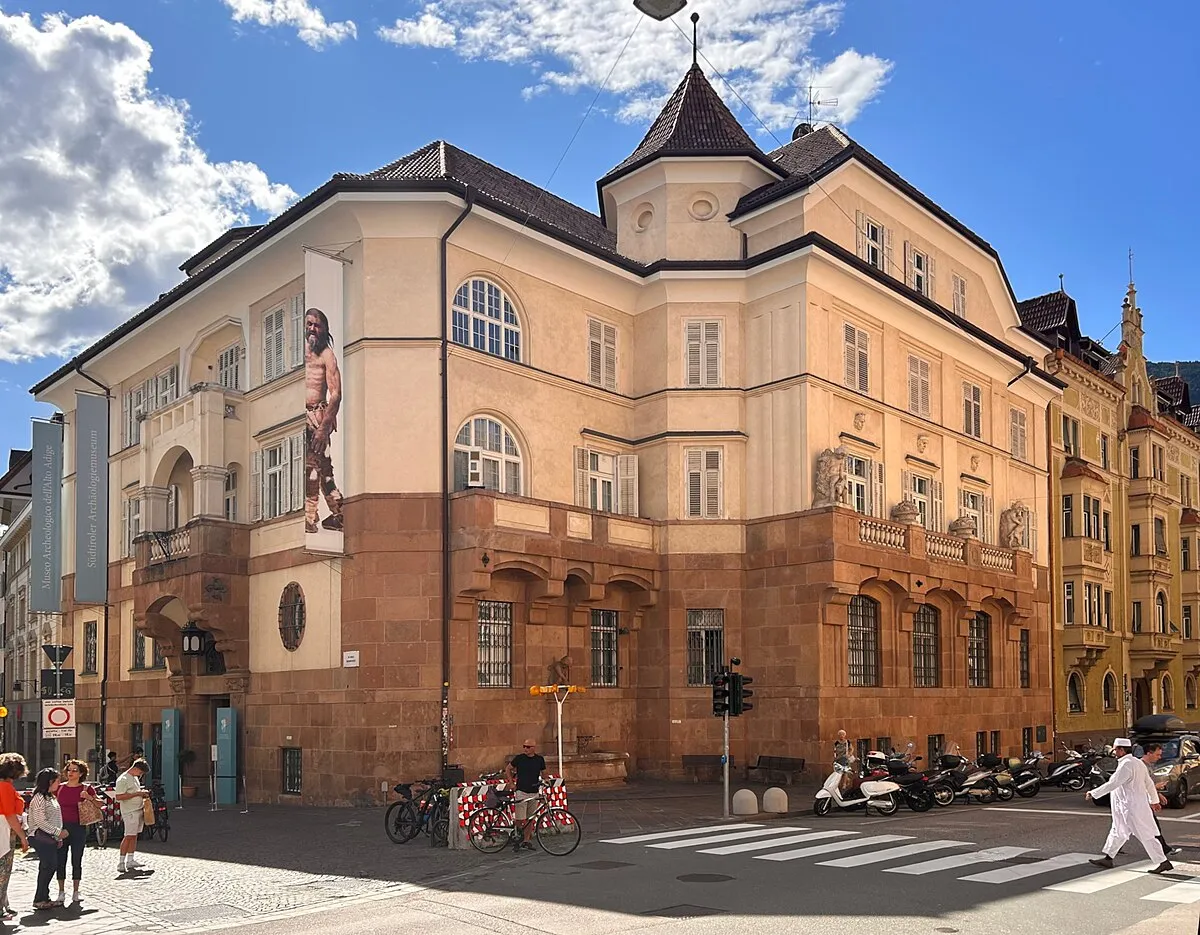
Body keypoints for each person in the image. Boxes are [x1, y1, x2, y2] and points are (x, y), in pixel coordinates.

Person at [1085, 737, 1170, 873]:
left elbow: (1114, 783)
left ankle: (1163, 861)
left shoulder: (1127, 764)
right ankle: (1108, 858)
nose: (1114, 752)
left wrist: (1093, 793)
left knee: (1145, 834)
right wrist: (1154, 801)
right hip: (1127, 806)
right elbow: (1148, 783)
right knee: (1118, 831)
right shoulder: (1137, 763)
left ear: (1121, 750)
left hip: (1130, 807)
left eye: (1115, 750)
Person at [303, 306, 343, 534]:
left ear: (324, 328)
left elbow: (336, 394)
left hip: (317, 418)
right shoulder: (297, 353)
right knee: (321, 470)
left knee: (314, 469)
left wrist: (324, 427)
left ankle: (310, 517)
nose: (312, 328)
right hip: (301, 418)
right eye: (309, 324)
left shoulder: (327, 355)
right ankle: (339, 513)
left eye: (317, 325)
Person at [55, 759, 100, 905]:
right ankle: (61, 891)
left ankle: (76, 891)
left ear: (81, 773)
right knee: (60, 859)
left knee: (77, 859)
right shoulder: (59, 788)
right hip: (61, 827)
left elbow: (100, 804)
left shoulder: (86, 788)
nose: (71, 772)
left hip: (78, 827)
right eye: (69, 769)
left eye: (74, 770)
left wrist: (89, 797)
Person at [26, 768, 67, 910]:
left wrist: (57, 835)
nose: (59, 783)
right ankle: (40, 898)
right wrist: (58, 832)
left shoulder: (51, 797)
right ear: (50, 781)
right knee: (48, 866)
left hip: (51, 837)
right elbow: (40, 821)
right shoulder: (39, 798)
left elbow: (56, 818)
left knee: (49, 866)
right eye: (57, 780)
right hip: (41, 837)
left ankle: (44, 896)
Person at [0, 754, 30, 920]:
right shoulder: (5, 787)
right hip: (4, 830)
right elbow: (10, 815)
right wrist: (22, 836)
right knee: (3, 871)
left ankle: (4, 904)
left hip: (4, 828)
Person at [113, 758, 152, 874]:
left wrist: (141, 793)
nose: (140, 775)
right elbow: (119, 796)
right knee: (128, 835)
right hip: (130, 811)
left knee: (134, 835)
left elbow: (133, 792)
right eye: (140, 772)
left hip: (137, 809)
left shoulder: (134, 778)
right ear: (135, 768)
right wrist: (138, 793)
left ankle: (130, 859)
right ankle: (121, 862)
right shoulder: (123, 779)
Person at [506, 739, 545, 852]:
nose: (525, 749)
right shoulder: (520, 758)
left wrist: (545, 781)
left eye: (528, 747)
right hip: (521, 791)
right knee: (520, 818)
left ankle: (526, 840)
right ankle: (516, 839)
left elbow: (544, 773)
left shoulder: (539, 759)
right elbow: (508, 768)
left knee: (530, 818)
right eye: (524, 746)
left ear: (533, 748)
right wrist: (511, 783)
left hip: (534, 792)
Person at [1140, 743, 1175, 857]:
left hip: (1144, 802)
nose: (1159, 757)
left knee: (1124, 828)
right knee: (1152, 826)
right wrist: (1156, 788)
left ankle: (1112, 852)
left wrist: (1158, 795)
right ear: (1149, 753)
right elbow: (1140, 786)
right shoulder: (1140, 767)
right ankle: (1163, 850)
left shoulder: (1149, 766)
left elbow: (1149, 785)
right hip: (1139, 802)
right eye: (1157, 754)